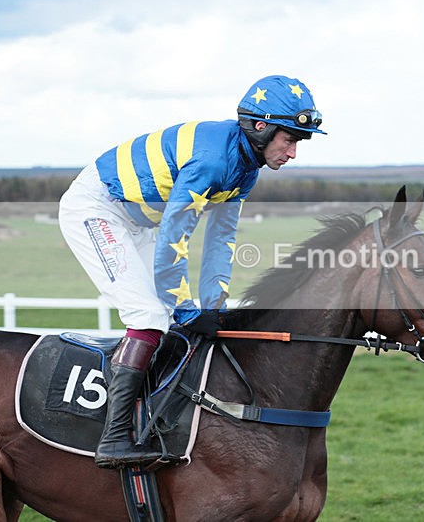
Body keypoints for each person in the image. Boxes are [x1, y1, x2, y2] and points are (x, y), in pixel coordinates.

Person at [58, 75, 325, 469]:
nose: (294, 152)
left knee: (173, 318)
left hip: (139, 223)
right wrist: (185, 307)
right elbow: (174, 239)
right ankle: (113, 439)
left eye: (300, 142)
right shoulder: (213, 160)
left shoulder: (245, 169)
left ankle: (153, 415)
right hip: (97, 209)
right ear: (260, 126)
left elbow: (221, 241)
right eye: (290, 139)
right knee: (150, 316)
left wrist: (213, 308)